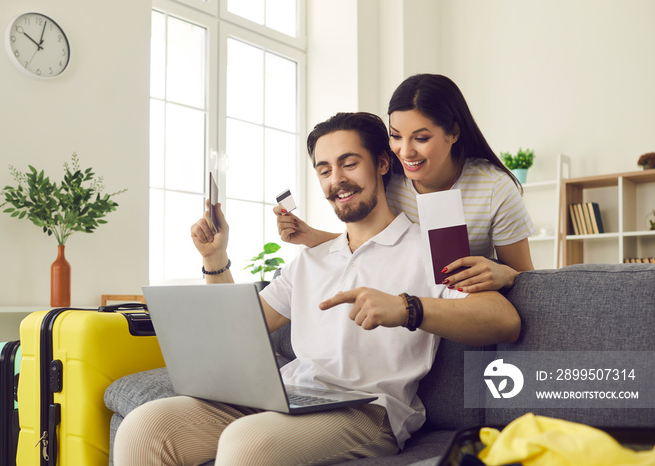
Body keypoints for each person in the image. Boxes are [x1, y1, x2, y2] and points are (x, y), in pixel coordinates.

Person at [114, 112, 520, 465]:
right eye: (324, 170)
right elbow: (239, 331)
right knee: (144, 426)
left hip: (367, 411)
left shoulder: (429, 248)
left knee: (247, 442)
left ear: (382, 163)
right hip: (291, 396)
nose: (336, 180)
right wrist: (214, 258)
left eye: (349, 164)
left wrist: (407, 308)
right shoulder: (312, 259)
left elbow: (503, 320)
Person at [276, 74, 535, 293]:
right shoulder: (389, 178)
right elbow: (375, 247)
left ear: (453, 132)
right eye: (396, 136)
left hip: (464, 302)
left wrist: (505, 274)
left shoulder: (494, 189)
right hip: (405, 303)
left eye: (421, 138)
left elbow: (526, 278)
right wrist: (311, 236)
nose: (405, 152)